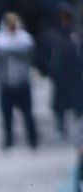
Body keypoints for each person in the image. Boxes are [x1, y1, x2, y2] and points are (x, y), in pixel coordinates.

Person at [0, 12, 40, 150]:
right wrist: (13, 50)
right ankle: (8, 139)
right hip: (5, 83)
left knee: (28, 114)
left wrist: (10, 50)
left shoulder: (25, 38)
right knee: (6, 115)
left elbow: (28, 53)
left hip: (22, 82)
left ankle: (33, 139)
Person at [43, 3, 83, 142]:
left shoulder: (77, 32)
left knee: (78, 103)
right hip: (59, 74)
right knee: (59, 104)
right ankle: (60, 128)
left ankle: (80, 128)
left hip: (76, 74)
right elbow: (45, 54)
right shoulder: (51, 34)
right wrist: (50, 68)